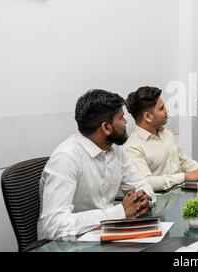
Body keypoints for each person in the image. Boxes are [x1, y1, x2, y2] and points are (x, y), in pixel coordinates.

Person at [38, 89, 156, 240]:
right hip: (66, 244)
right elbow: (53, 226)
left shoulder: (116, 150)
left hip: (106, 234)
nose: (126, 122)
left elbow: (142, 186)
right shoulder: (66, 157)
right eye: (121, 118)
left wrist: (141, 200)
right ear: (106, 127)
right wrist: (120, 212)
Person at [124, 86, 198, 192]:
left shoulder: (167, 134)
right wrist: (185, 177)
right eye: (162, 108)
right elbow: (146, 182)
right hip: (159, 203)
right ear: (148, 116)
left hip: (182, 193)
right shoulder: (132, 147)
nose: (166, 111)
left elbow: (184, 162)